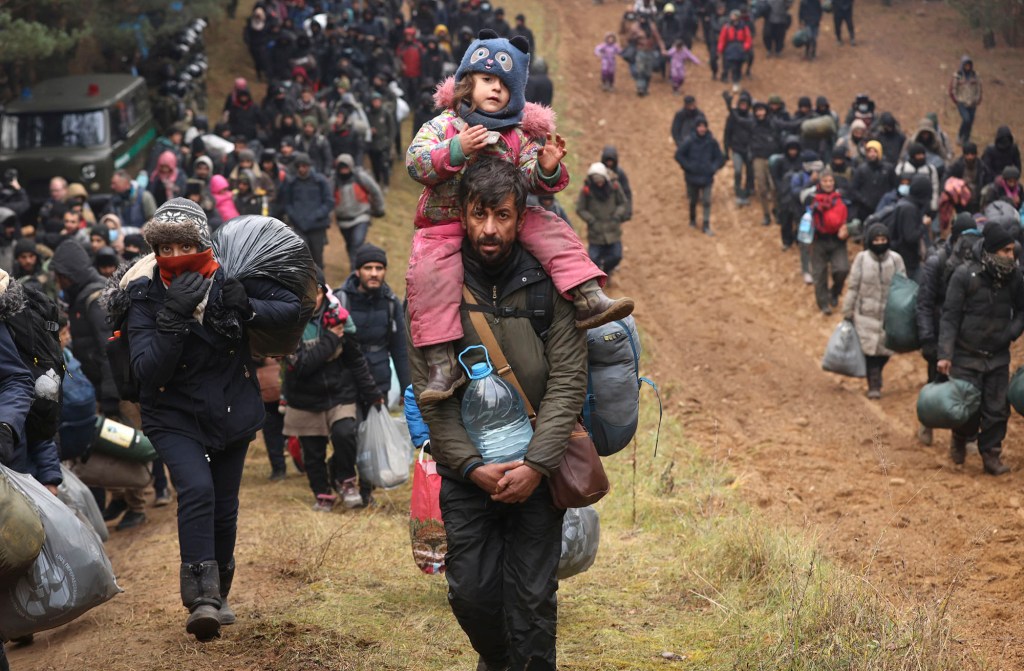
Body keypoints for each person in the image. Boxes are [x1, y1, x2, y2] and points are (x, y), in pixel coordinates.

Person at [408, 158, 588, 671]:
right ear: (462, 214)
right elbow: (429, 388)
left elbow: (568, 380)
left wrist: (536, 465)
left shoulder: (548, 281)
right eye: (480, 214)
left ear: (520, 216)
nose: (490, 229)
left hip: (537, 467)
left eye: (503, 215)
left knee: (533, 602)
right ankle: (499, 659)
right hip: (469, 477)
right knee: (472, 596)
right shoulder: (433, 284)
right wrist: (469, 467)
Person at [105, 198, 301, 640]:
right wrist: (172, 316)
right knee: (196, 489)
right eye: (166, 247)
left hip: (231, 408)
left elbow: (293, 309)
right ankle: (201, 598)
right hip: (172, 413)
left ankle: (221, 589)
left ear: (202, 242)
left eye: (184, 245)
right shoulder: (141, 293)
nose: (175, 255)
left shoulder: (229, 276)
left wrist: (247, 307)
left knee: (226, 506)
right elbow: (146, 372)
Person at [405, 30, 631, 404]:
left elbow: (529, 174)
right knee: (429, 275)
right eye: (486, 80)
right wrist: (457, 149)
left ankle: (588, 293)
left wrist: (544, 168)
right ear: (466, 83)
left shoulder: (515, 134)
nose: (495, 89)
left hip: (510, 217)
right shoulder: (443, 126)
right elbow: (416, 163)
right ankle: (441, 363)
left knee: (553, 227)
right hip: (444, 221)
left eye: (504, 85)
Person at [283, 270, 382, 511]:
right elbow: (301, 365)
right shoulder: (287, 324)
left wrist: (372, 392)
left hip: (340, 394)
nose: (311, 298)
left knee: (346, 433)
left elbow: (355, 359)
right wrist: (329, 340)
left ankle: (346, 481)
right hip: (303, 398)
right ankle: (322, 494)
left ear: (322, 292)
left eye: (315, 291)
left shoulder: (340, 318)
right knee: (312, 452)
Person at [938, 224, 1024, 475]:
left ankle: (991, 454)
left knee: (997, 409)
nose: (1011, 255)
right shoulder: (965, 275)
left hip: (997, 355)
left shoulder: (1014, 278)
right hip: (967, 354)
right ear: (992, 250)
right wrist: (945, 354)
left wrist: (1012, 332)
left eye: (1012, 251)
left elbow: (1022, 310)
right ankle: (960, 437)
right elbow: (950, 316)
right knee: (969, 410)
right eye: (1006, 250)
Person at [915, 214, 979, 446]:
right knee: (937, 382)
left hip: (966, 336)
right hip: (939, 333)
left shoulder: (978, 261)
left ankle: (962, 438)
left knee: (965, 386)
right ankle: (927, 422)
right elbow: (924, 303)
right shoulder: (937, 261)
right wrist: (927, 339)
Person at [842, 223, 905, 399]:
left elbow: (903, 286)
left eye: (883, 239)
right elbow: (853, 286)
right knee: (869, 352)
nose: (879, 242)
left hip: (888, 314)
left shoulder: (895, 260)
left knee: (885, 351)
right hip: (865, 314)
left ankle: (876, 374)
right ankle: (874, 384)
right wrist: (847, 311)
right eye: (876, 240)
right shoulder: (861, 259)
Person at [332, 154, 386, 272]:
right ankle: (356, 263)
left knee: (357, 244)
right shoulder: (333, 181)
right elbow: (328, 199)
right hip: (343, 220)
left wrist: (379, 209)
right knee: (350, 244)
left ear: (351, 166)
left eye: (346, 166)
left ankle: (355, 271)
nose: (344, 169)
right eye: (341, 167)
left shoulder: (360, 177)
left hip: (361, 216)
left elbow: (375, 191)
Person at [576, 162, 629, 279]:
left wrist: (617, 215)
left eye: (601, 181)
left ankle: (607, 270)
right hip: (596, 233)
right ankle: (599, 275)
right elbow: (580, 209)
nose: (599, 184)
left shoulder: (614, 187)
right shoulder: (586, 191)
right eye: (596, 181)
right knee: (593, 259)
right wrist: (591, 220)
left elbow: (623, 203)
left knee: (616, 256)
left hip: (612, 230)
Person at [807, 168, 849, 314]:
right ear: (820, 182)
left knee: (842, 269)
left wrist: (846, 227)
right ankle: (823, 303)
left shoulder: (841, 198)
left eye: (830, 180)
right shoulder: (811, 197)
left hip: (838, 240)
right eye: (825, 181)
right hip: (818, 240)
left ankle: (835, 292)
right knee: (819, 274)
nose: (828, 183)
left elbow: (849, 214)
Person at [675, 116, 725, 236]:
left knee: (707, 200)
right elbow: (679, 155)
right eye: (700, 126)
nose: (702, 129)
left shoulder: (712, 142)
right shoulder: (689, 141)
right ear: (696, 128)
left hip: (707, 177)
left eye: (704, 126)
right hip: (692, 177)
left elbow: (720, 158)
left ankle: (706, 224)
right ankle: (692, 219)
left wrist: (713, 168)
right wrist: (688, 167)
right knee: (693, 200)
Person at [282, 153, 333, 269]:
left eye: (304, 166)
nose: (301, 169)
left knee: (317, 257)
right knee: (303, 257)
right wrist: (294, 216)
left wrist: (318, 215)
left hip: (317, 226)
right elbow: (287, 203)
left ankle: (320, 284)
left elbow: (329, 202)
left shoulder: (320, 181)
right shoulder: (291, 183)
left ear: (309, 166)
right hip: (299, 226)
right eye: (299, 166)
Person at [889, 174, 933, 282]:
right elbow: (910, 236)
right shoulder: (910, 209)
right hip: (907, 260)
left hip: (904, 257)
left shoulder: (905, 203)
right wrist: (924, 225)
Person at [723, 90, 754, 206]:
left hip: (749, 148)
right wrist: (726, 150)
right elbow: (727, 134)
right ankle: (738, 188)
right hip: (737, 148)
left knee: (750, 171)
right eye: (741, 104)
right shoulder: (732, 118)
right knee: (738, 170)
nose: (743, 106)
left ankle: (749, 188)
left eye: (745, 104)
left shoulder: (751, 118)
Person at [949, 56, 982, 146]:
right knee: (966, 119)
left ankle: (966, 139)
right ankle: (960, 135)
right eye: (966, 65)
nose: (967, 67)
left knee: (970, 121)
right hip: (962, 102)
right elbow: (953, 89)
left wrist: (977, 99)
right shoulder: (958, 76)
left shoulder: (975, 75)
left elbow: (979, 88)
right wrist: (956, 99)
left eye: (969, 65)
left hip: (972, 102)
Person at [717, 9, 751, 86]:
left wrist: (745, 47)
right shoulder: (727, 27)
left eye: (734, 15)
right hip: (730, 48)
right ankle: (731, 79)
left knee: (738, 66)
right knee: (730, 65)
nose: (732, 17)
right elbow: (722, 38)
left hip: (740, 49)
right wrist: (720, 49)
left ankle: (736, 80)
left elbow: (748, 38)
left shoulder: (744, 27)